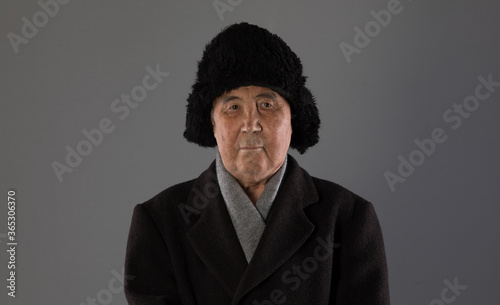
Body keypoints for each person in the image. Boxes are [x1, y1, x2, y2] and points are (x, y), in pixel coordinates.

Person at [124, 22, 390, 305]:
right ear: (212, 122)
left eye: (267, 105)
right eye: (233, 107)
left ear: (293, 120)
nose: (250, 125)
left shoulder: (348, 219)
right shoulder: (160, 221)